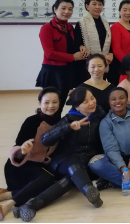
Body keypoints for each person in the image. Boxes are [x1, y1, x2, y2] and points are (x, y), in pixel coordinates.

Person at [16, 89, 106, 221]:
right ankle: (88, 189)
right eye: (85, 101)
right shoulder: (69, 119)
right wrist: (68, 127)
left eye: (92, 98)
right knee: (74, 166)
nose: (92, 103)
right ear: (76, 106)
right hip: (65, 159)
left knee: (69, 181)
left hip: (86, 160)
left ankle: (30, 205)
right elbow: (45, 139)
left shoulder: (99, 113)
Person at [0, 88, 61, 221]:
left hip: (38, 167)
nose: (51, 106)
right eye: (46, 102)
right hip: (19, 166)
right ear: (40, 103)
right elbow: (16, 151)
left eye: (55, 102)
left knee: (54, 183)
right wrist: (23, 151)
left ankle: (6, 195)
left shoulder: (59, 122)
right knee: (46, 181)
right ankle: (7, 205)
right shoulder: (31, 121)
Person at [89, 88, 130, 195]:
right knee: (94, 163)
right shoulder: (105, 122)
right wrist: (124, 169)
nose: (118, 101)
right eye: (113, 99)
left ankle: (111, 182)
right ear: (109, 102)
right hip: (116, 162)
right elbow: (111, 149)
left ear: (127, 99)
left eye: (121, 98)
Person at [36, 0, 83, 114]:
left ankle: (57, 125)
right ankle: (45, 125)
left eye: (70, 9)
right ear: (55, 9)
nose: (67, 12)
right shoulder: (46, 28)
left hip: (67, 71)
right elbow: (50, 53)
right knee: (50, 106)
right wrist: (73, 57)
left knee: (60, 105)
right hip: (52, 72)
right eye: (63, 8)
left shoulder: (70, 28)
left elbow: (73, 46)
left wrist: (82, 47)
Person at [73, 0, 113, 84]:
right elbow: (76, 44)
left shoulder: (106, 23)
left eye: (100, 4)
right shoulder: (81, 23)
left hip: (103, 63)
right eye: (94, 4)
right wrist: (81, 46)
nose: (97, 7)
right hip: (86, 65)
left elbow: (107, 42)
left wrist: (111, 53)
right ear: (87, 6)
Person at [108, 0, 130, 85]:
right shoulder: (115, 27)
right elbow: (116, 49)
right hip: (119, 66)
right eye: (125, 10)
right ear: (119, 11)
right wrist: (128, 64)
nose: (128, 13)